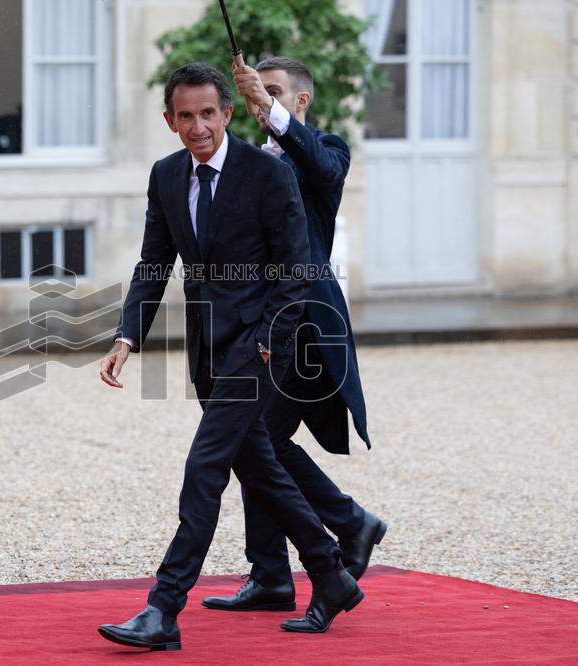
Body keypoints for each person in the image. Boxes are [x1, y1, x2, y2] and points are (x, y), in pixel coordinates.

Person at [96, 63, 363, 651]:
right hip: (207, 351)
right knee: (258, 466)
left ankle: (163, 608)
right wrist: (126, 337)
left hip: (258, 349)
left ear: (227, 112)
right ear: (170, 120)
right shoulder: (166, 175)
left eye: (208, 114)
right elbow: (153, 263)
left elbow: (296, 267)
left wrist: (269, 337)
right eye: (185, 116)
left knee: (205, 467)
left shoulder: (268, 172)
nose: (198, 127)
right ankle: (330, 573)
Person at [200, 57, 386, 614]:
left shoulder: (327, 151)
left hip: (305, 323)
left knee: (258, 440)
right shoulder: (248, 162)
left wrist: (268, 107)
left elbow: (321, 171)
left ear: (299, 101)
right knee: (255, 442)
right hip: (257, 322)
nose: (261, 101)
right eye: (257, 92)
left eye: (274, 92)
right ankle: (274, 575)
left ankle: (349, 524)